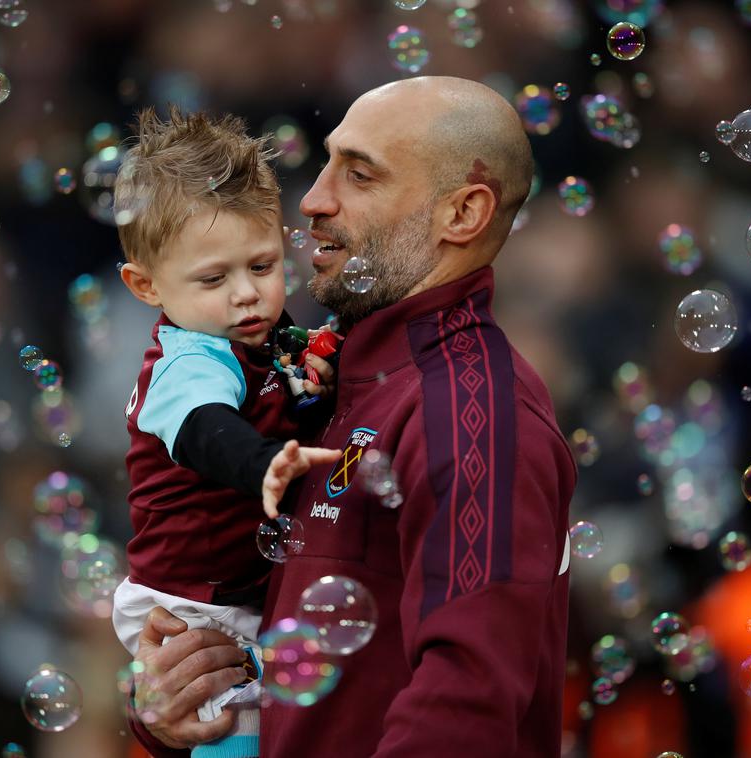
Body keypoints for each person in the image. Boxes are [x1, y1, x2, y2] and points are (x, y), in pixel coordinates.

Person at [129, 75, 578, 757]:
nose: (312, 200)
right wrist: (176, 710)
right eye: (329, 161)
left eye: (359, 174)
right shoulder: (336, 382)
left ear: (461, 214)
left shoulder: (470, 408)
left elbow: (468, 704)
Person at [112, 106, 343, 758]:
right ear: (145, 284)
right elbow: (203, 430)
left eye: (263, 266)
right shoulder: (190, 360)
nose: (246, 294)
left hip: (242, 587)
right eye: (214, 278)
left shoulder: (255, 330)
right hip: (192, 605)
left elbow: (296, 366)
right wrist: (264, 461)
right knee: (233, 738)